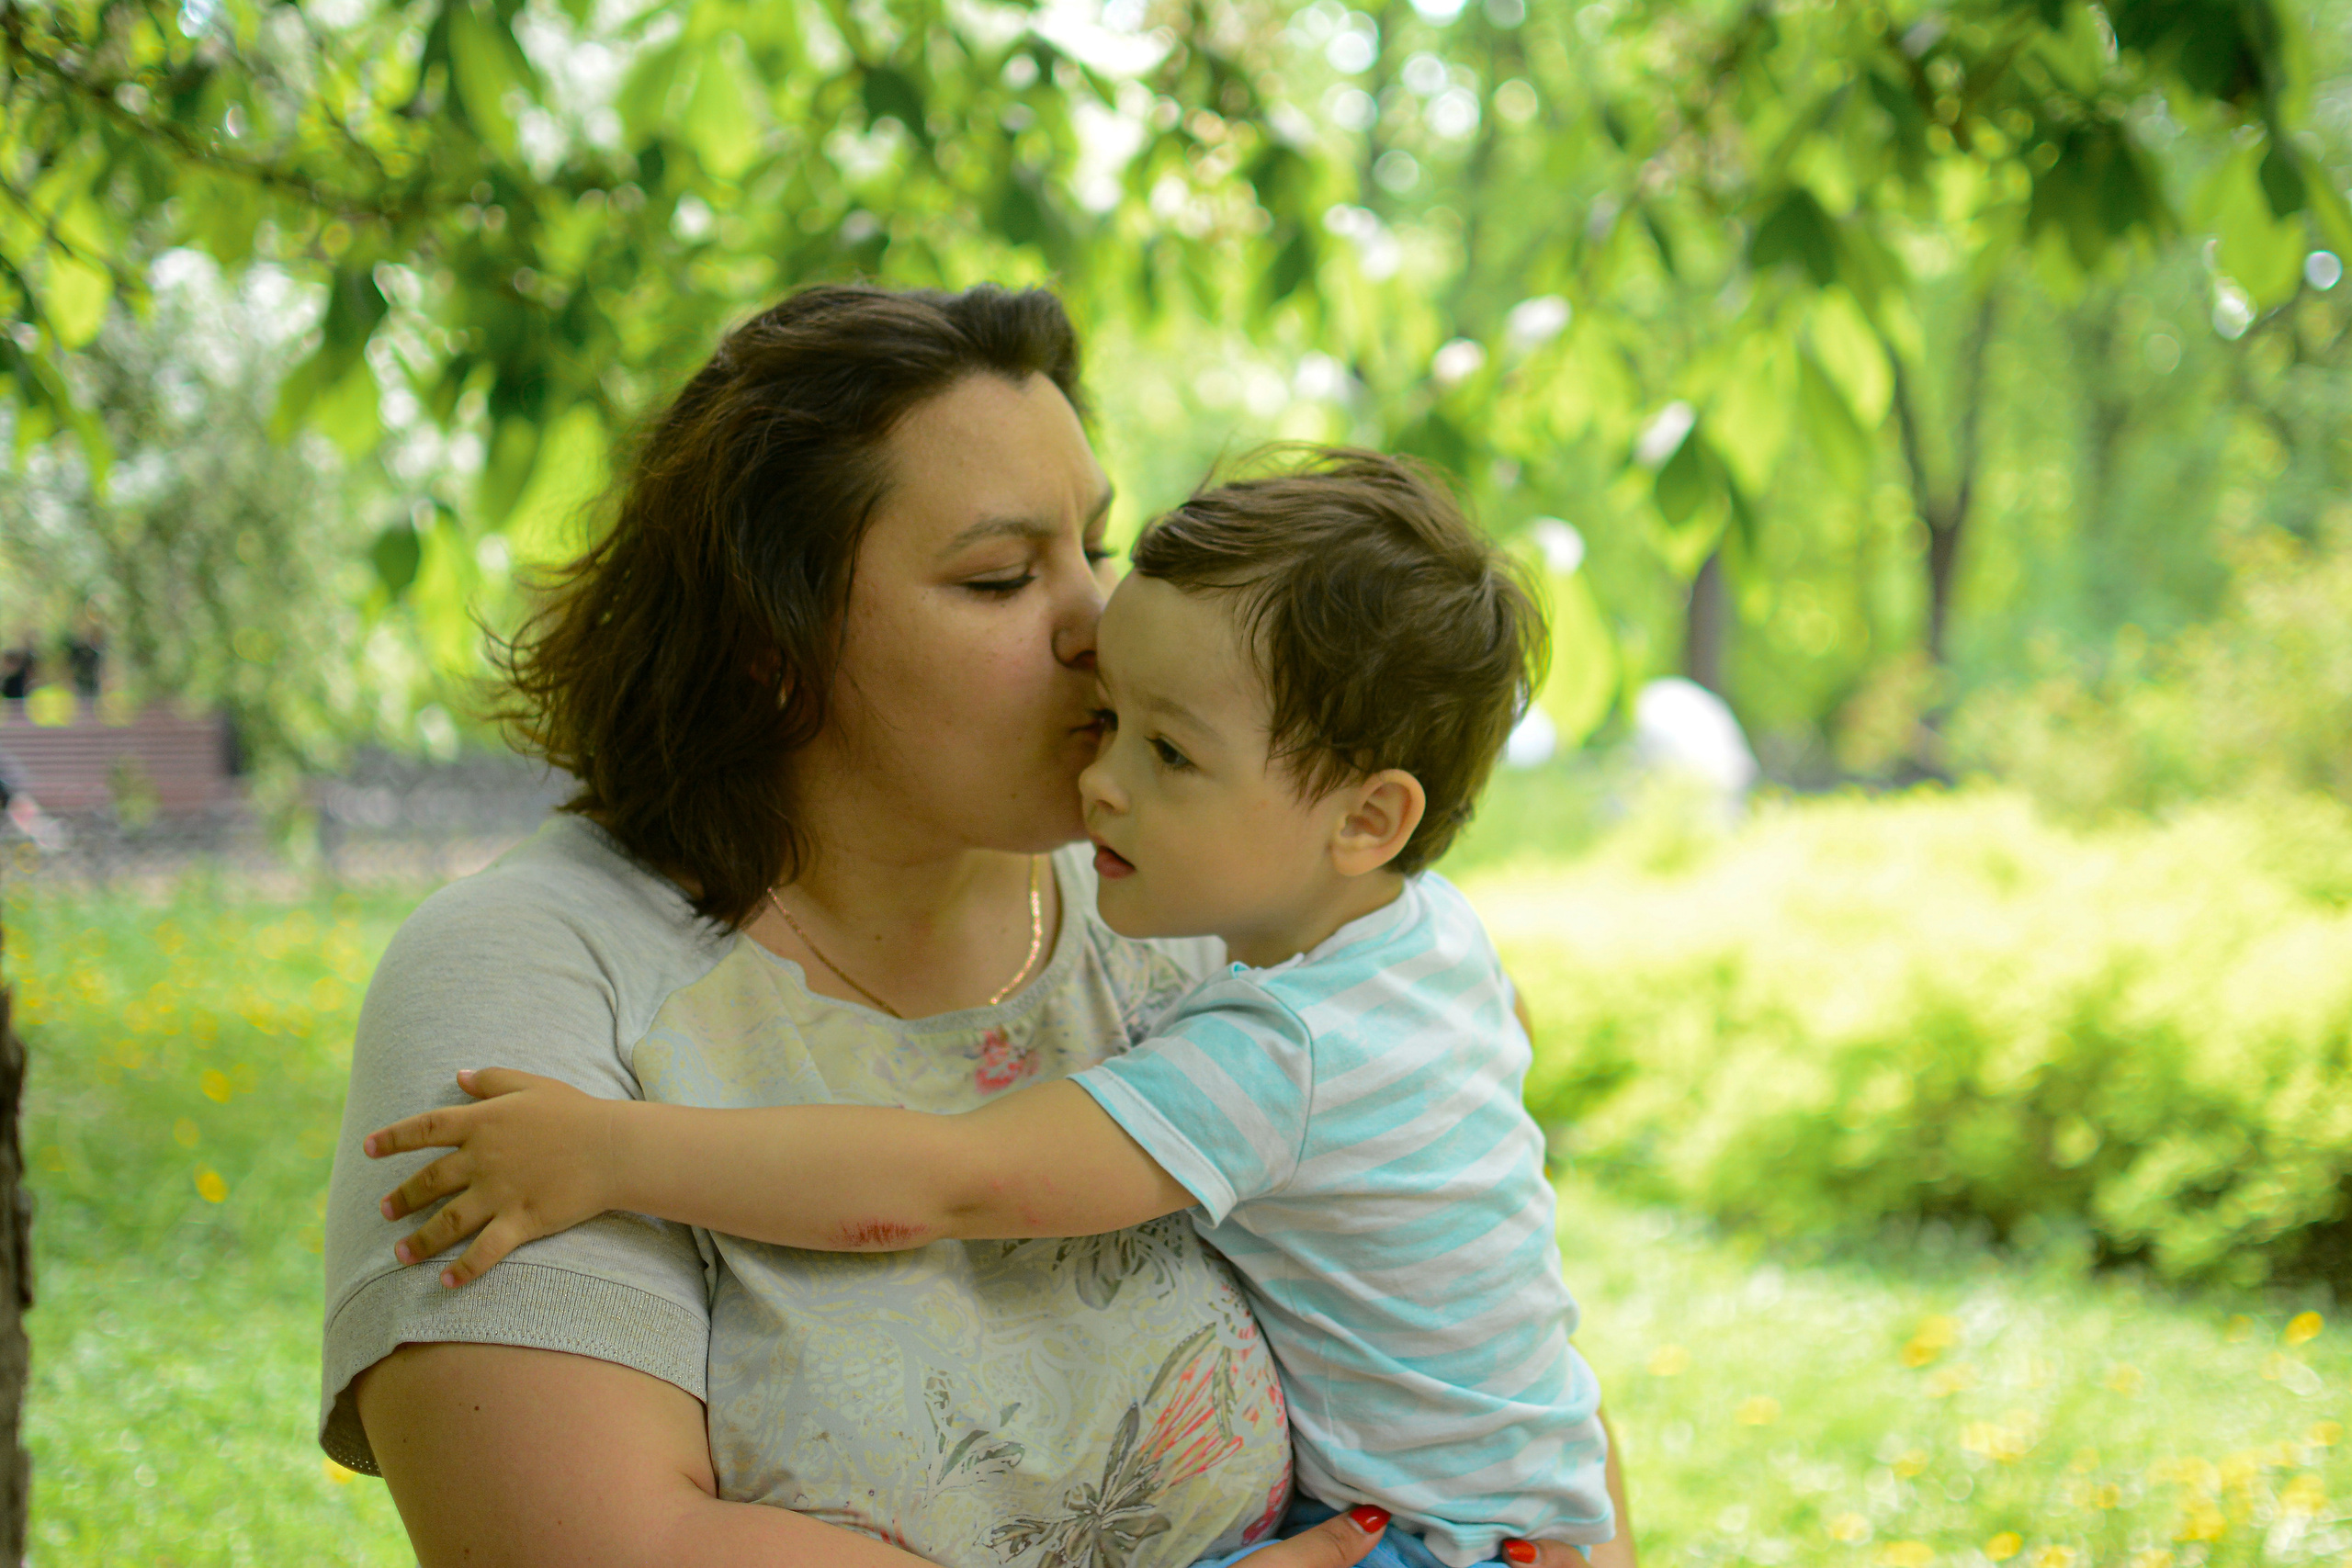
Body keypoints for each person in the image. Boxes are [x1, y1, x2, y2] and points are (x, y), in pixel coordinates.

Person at [321, 284, 1616, 1568]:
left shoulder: (1197, 910)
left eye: (1096, 546)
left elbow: (1490, 1343)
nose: (1099, 622)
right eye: (1002, 578)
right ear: (772, 641)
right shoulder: (538, 975)